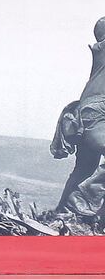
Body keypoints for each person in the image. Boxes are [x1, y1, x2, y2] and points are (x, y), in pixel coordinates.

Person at [52, 17, 105, 214]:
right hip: (98, 113)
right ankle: (84, 198)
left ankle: (61, 212)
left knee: (84, 169)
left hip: (87, 113)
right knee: (84, 170)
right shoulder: (103, 48)